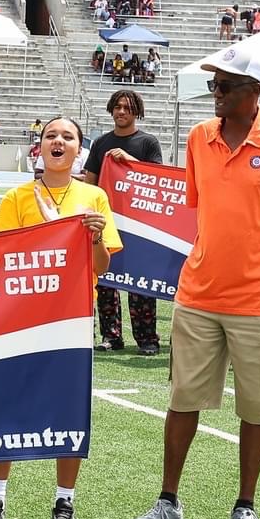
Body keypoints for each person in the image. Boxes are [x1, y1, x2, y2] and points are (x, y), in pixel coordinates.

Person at [126, 47, 260, 519]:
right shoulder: (197, 138)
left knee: (258, 407)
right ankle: (168, 504)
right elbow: (201, 207)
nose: (216, 92)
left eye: (225, 85)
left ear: (255, 92)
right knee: (183, 398)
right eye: (214, 84)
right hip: (199, 292)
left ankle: (244, 509)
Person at [0, 115, 121, 519]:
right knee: (6, 407)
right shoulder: (18, 196)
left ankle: (64, 501)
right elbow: (1, 258)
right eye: (50, 136)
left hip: (73, 320)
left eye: (68, 137)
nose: (58, 141)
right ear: (39, 147)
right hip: (20, 321)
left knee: (67, 410)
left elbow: (101, 268)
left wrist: (94, 239)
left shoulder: (94, 197)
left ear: (80, 149)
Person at [84, 90, 164, 355]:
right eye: (117, 107)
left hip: (140, 224)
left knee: (141, 281)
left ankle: (148, 339)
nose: (121, 111)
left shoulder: (147, 142)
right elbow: (90, 181)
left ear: (136, 111)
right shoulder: (100, 143)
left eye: (127, 108)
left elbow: (156, 179)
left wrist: (130, 161)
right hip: (107, 221)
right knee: (106, 281)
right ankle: (111, 336)